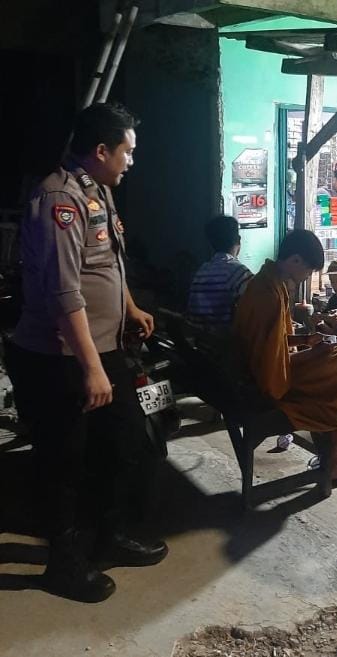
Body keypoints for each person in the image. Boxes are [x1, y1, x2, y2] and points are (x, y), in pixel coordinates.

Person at [6, 102, 168, 603]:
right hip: (59, 359)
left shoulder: (97, 189)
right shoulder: (59, 199)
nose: (131, 161)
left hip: (103, 349)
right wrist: (92, 370)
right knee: (65, 463)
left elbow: (107, 262)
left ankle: (108, 536)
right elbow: (64, 292)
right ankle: (64, 565)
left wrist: (130, 306)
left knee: (122, 444)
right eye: (127, 152)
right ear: (101, 150)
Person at [233, 229, 337, 481]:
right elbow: (272, 366)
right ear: (295, 260)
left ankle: (333, 462)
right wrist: (314, 353)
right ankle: (333, 464)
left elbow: (272, 344)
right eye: (309, 270)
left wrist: (305, 340)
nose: (307, 277)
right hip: (265, 383)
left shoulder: (268, 282)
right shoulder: (269, 293)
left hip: (251, 371)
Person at [187, 214, 253, 328]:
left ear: (211, 244)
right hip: (222, 337)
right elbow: (256, 307)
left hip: (197, 336)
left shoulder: (201, 271)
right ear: (238, 240)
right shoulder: (238, 272)